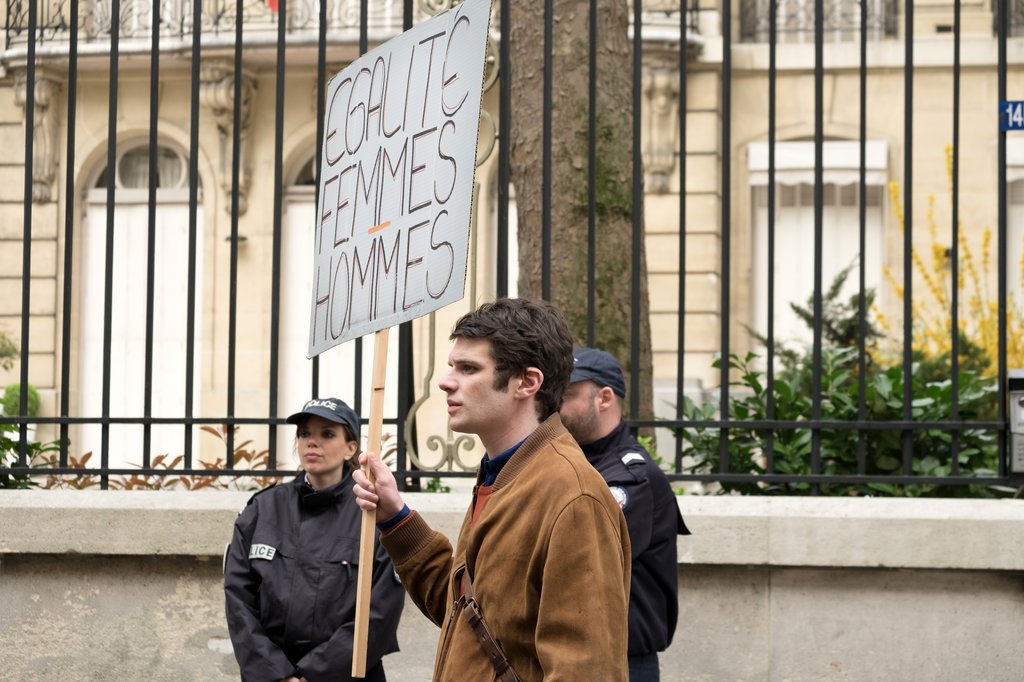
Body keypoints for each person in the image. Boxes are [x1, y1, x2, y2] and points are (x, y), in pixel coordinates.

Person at [352, 298, 631, 681]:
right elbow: (466, 611)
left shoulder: (572, 496)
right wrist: (396, 518)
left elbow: (586, 670)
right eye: (453, 366)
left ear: (527, 382)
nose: (446, 381)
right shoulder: (504, 474)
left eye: (469, 368)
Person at [224, 398, 405, 682]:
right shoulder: (262, 509)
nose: (312, 442)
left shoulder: (373, 515)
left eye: (327, 434)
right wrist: (277, 674)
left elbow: (379, 614)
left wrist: (314, 675)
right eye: (305, 433)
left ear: (351, 448)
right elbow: (238, 600)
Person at [559, 347, 691, 682]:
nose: (554, 406)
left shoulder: (629, 477)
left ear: (603, 398)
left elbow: (574, 557)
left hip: (621, 664)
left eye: (567, 394)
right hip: (580, 658)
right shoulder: (578, 464)